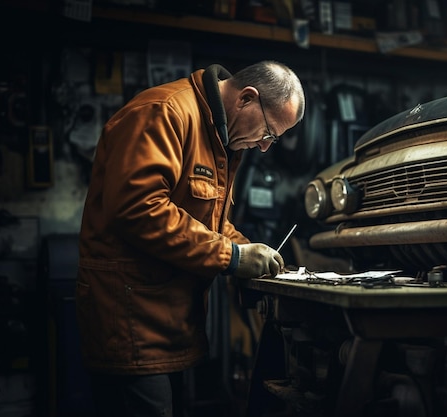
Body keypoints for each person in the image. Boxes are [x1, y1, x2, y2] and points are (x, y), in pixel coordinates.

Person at [75, 60, 306, 417]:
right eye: (269, 133)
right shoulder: (163, 113)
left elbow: (210, 222)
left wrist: (245, 249)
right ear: (247, 98)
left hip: (173, 323)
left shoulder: (221, 138)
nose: (264, 148)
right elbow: (139, 209)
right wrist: (231, 256)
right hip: (130, 322)